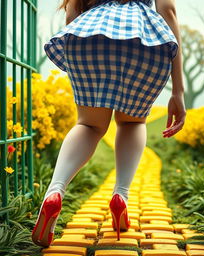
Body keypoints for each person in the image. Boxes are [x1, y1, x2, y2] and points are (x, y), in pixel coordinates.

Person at [32, 0, 186, 247]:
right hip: (144, 40)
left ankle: (55, 191)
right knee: (132, 123)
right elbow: (167, 11)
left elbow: (72, 10)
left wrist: (78, 54)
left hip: (89, 35)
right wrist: (177, 90)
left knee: (89, 125)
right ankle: (120, 196)